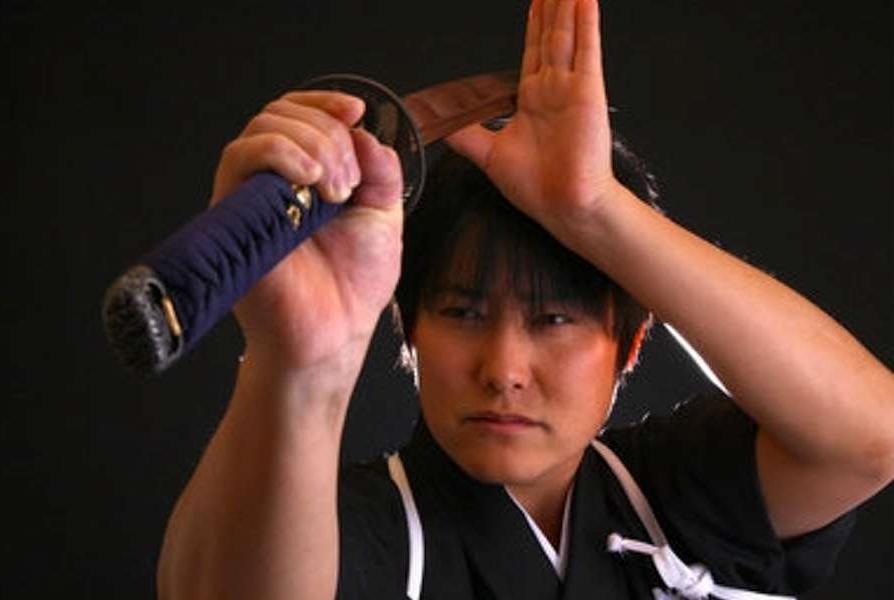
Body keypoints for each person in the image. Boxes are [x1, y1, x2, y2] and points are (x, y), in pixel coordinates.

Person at [156, 1, 894, 598]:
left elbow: (870, 438)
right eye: (462, 313)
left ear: (629, 344)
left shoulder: (676, 497)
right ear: (409, 331)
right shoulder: (351, 526)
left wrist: (593, 211)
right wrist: (300, 361)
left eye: (553, 320)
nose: (504, 370)